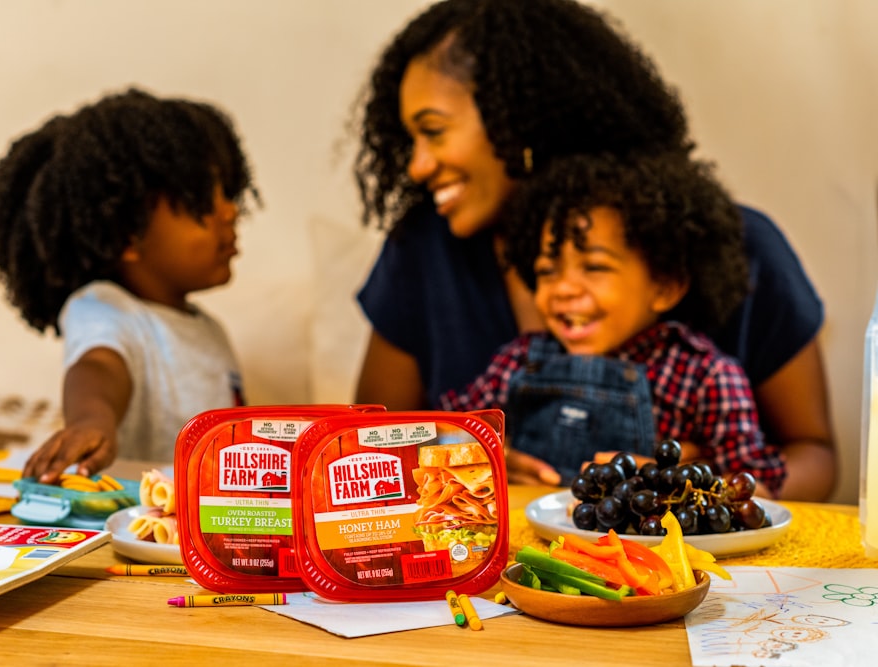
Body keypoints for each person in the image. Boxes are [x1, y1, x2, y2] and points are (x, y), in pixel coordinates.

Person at [352, 0, 835, 500]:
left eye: (433, 130)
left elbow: (815, 454)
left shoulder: (734, 248)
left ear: (517, 117)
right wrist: (462, 458)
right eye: (545, 269)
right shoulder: (423, 250)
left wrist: (700, 488)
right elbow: (370, 448)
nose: (416, 167)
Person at [438, 151, 786, 496]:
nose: (562, 289)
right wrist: (491, 457)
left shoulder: (707, 379)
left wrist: (678, 482)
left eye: (594, 267)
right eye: (547, 271)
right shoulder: (520, 362)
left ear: (664, 286)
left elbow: (755, 490)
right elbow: (441, 438)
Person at [0, 87, 259, 484]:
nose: (230, 211)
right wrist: (92, 419)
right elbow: (98, 366)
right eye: (202, 204)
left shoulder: (209, 329)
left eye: (227, 193)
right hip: (140, 520)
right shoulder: (103, 308)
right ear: (128, 234)